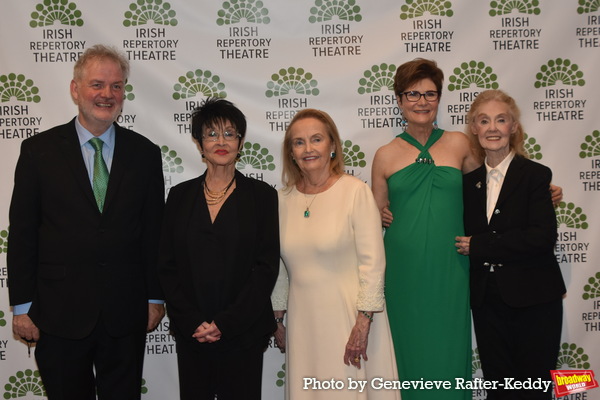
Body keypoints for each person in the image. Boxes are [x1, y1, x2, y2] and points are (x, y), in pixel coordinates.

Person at [7, 44, 165, 400]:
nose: (107, 94)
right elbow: (23, 234)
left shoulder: (145, 153)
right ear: (75, 89)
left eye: (116, 86)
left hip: (125, 313)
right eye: (97, 84)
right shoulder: (37, 151)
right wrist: (22, 307)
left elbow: (154, 231)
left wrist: (155, 296)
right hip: (56, 311)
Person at [272, 109, 400, 400]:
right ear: (291, 152)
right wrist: (278, 319)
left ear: (332, 146)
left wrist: (364, 321)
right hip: (304, 322)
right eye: (299, 142)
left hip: (351, 318)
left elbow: (373, 262)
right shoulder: (281, 200)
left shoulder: (355, 191)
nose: (308, 149)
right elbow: (280, 265)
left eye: (316, 139)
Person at [158, 97, 279, 400]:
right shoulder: (180, 196)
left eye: (230, 133)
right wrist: (192, 321)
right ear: (199, 144)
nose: (221, 141)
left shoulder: (261, 196)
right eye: (211, 134)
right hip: (193, 332)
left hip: (244, 332)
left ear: (241, 142)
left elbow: (266, 268)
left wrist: (226, 323)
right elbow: (167, 265)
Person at [371, 58, 476, 400]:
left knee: (448, 349)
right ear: (399, 100)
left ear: (439, 98)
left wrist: (535, 190)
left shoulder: (461, 144)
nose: (422, 101)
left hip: (451, 267)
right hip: (404, 273)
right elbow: (374, 214)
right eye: (412, 94)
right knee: (409, 353)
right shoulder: (385, 154)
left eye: (430, 94)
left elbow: (491, 191)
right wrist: (379, 214)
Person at [455, 89, 566, 400]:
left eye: (501, 120)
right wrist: (387, 209)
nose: (493, 128)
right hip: (487, 302)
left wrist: (482, 245)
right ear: (473, 129)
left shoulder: (536, 176)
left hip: (536, 300)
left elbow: (542, 238)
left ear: (513, 127)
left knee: (534, 389)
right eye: (484, 120)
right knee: (499, 388)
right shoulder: (466, 185)